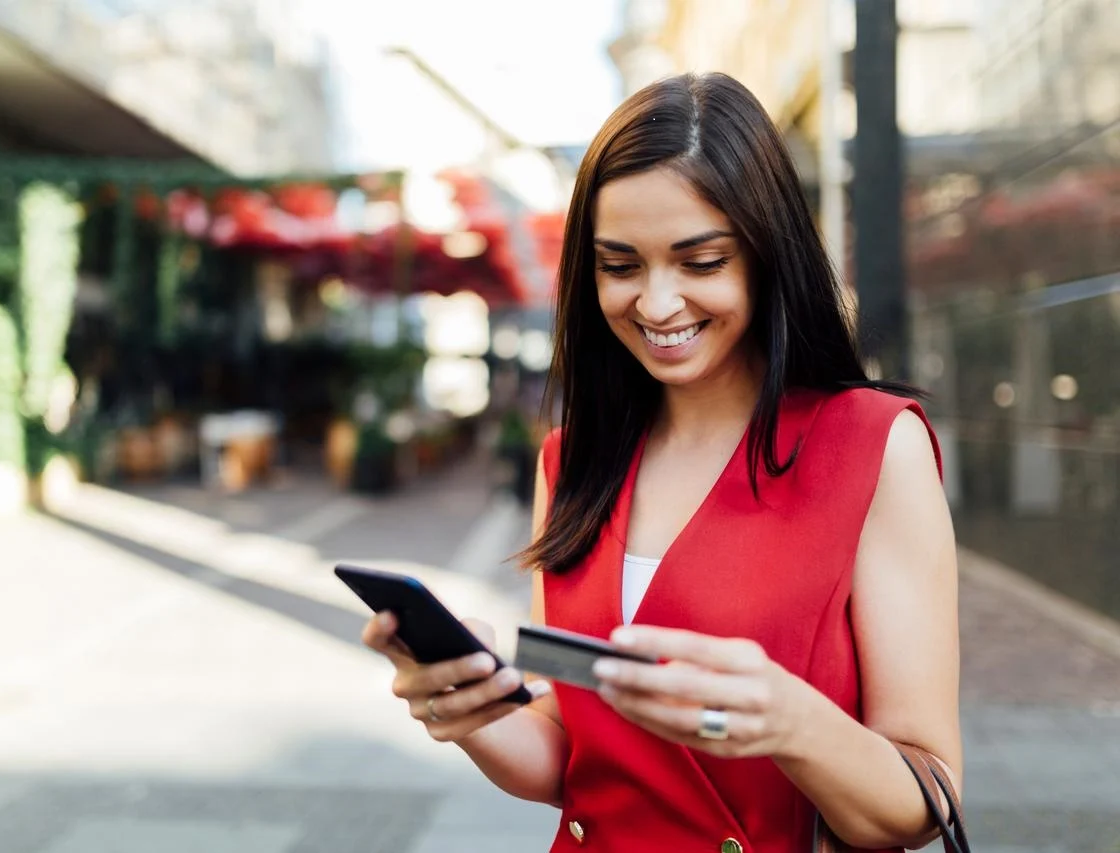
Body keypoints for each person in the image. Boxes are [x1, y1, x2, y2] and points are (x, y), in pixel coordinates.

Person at [362, 72, 962, 853]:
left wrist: (789, 719)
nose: (656, 303)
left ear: (765, 254)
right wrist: (471, 712)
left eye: (701, 261)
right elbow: (573, 758)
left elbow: (925, 801)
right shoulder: (570, 458)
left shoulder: (874, 445)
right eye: (620, 265)